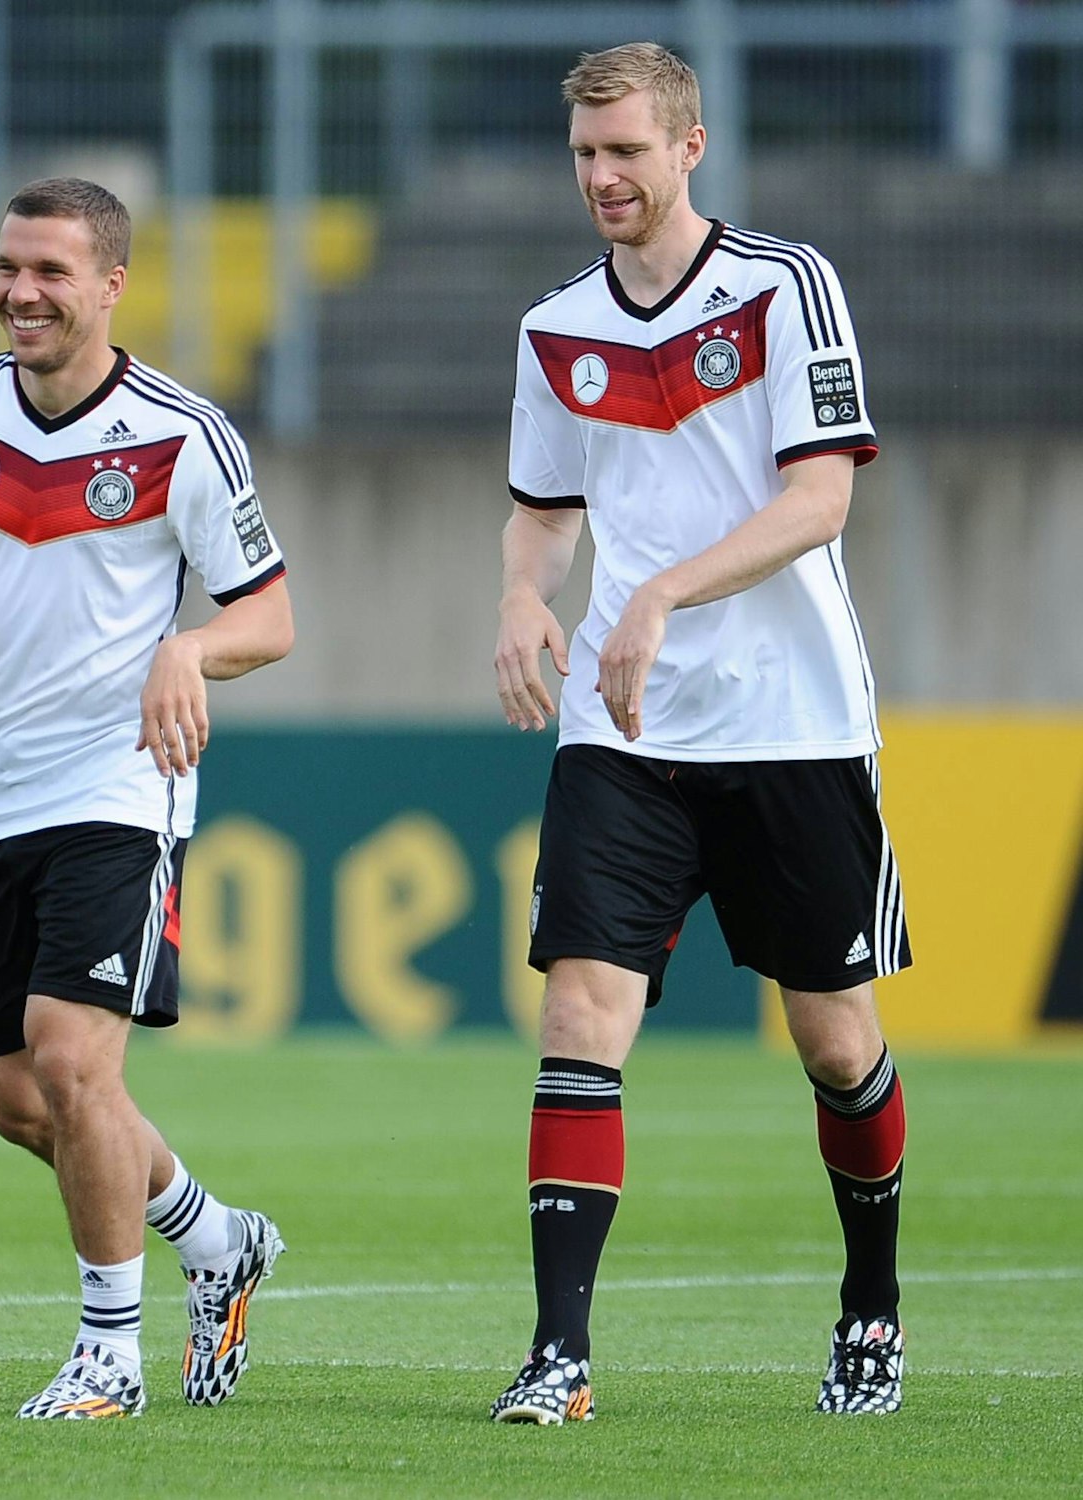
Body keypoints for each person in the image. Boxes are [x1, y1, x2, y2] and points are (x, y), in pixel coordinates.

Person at [0, 177, 295, 1419]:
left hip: (120, 791)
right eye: (7, 268)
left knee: (73, 1061)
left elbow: (268, 616)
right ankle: (216, 1239)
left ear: (111, 286)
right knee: (20, 1101)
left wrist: (188, 651)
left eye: (50, 273)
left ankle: (107, 1356)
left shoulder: (180, 434)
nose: (21, 293)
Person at [492, 43, 911, 1423]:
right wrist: (520, 596)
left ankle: (869, 1304)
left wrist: (660, 590)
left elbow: (819, 500)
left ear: (689, 147)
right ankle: (559, 1356)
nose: (601, 176)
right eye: (584, 154)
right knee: (578, 1014)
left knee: (834, 1044)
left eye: (625, 150)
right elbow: (544, 507)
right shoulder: (557, 326)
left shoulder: (784, 287)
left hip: (792, 724)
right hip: (624, 733)